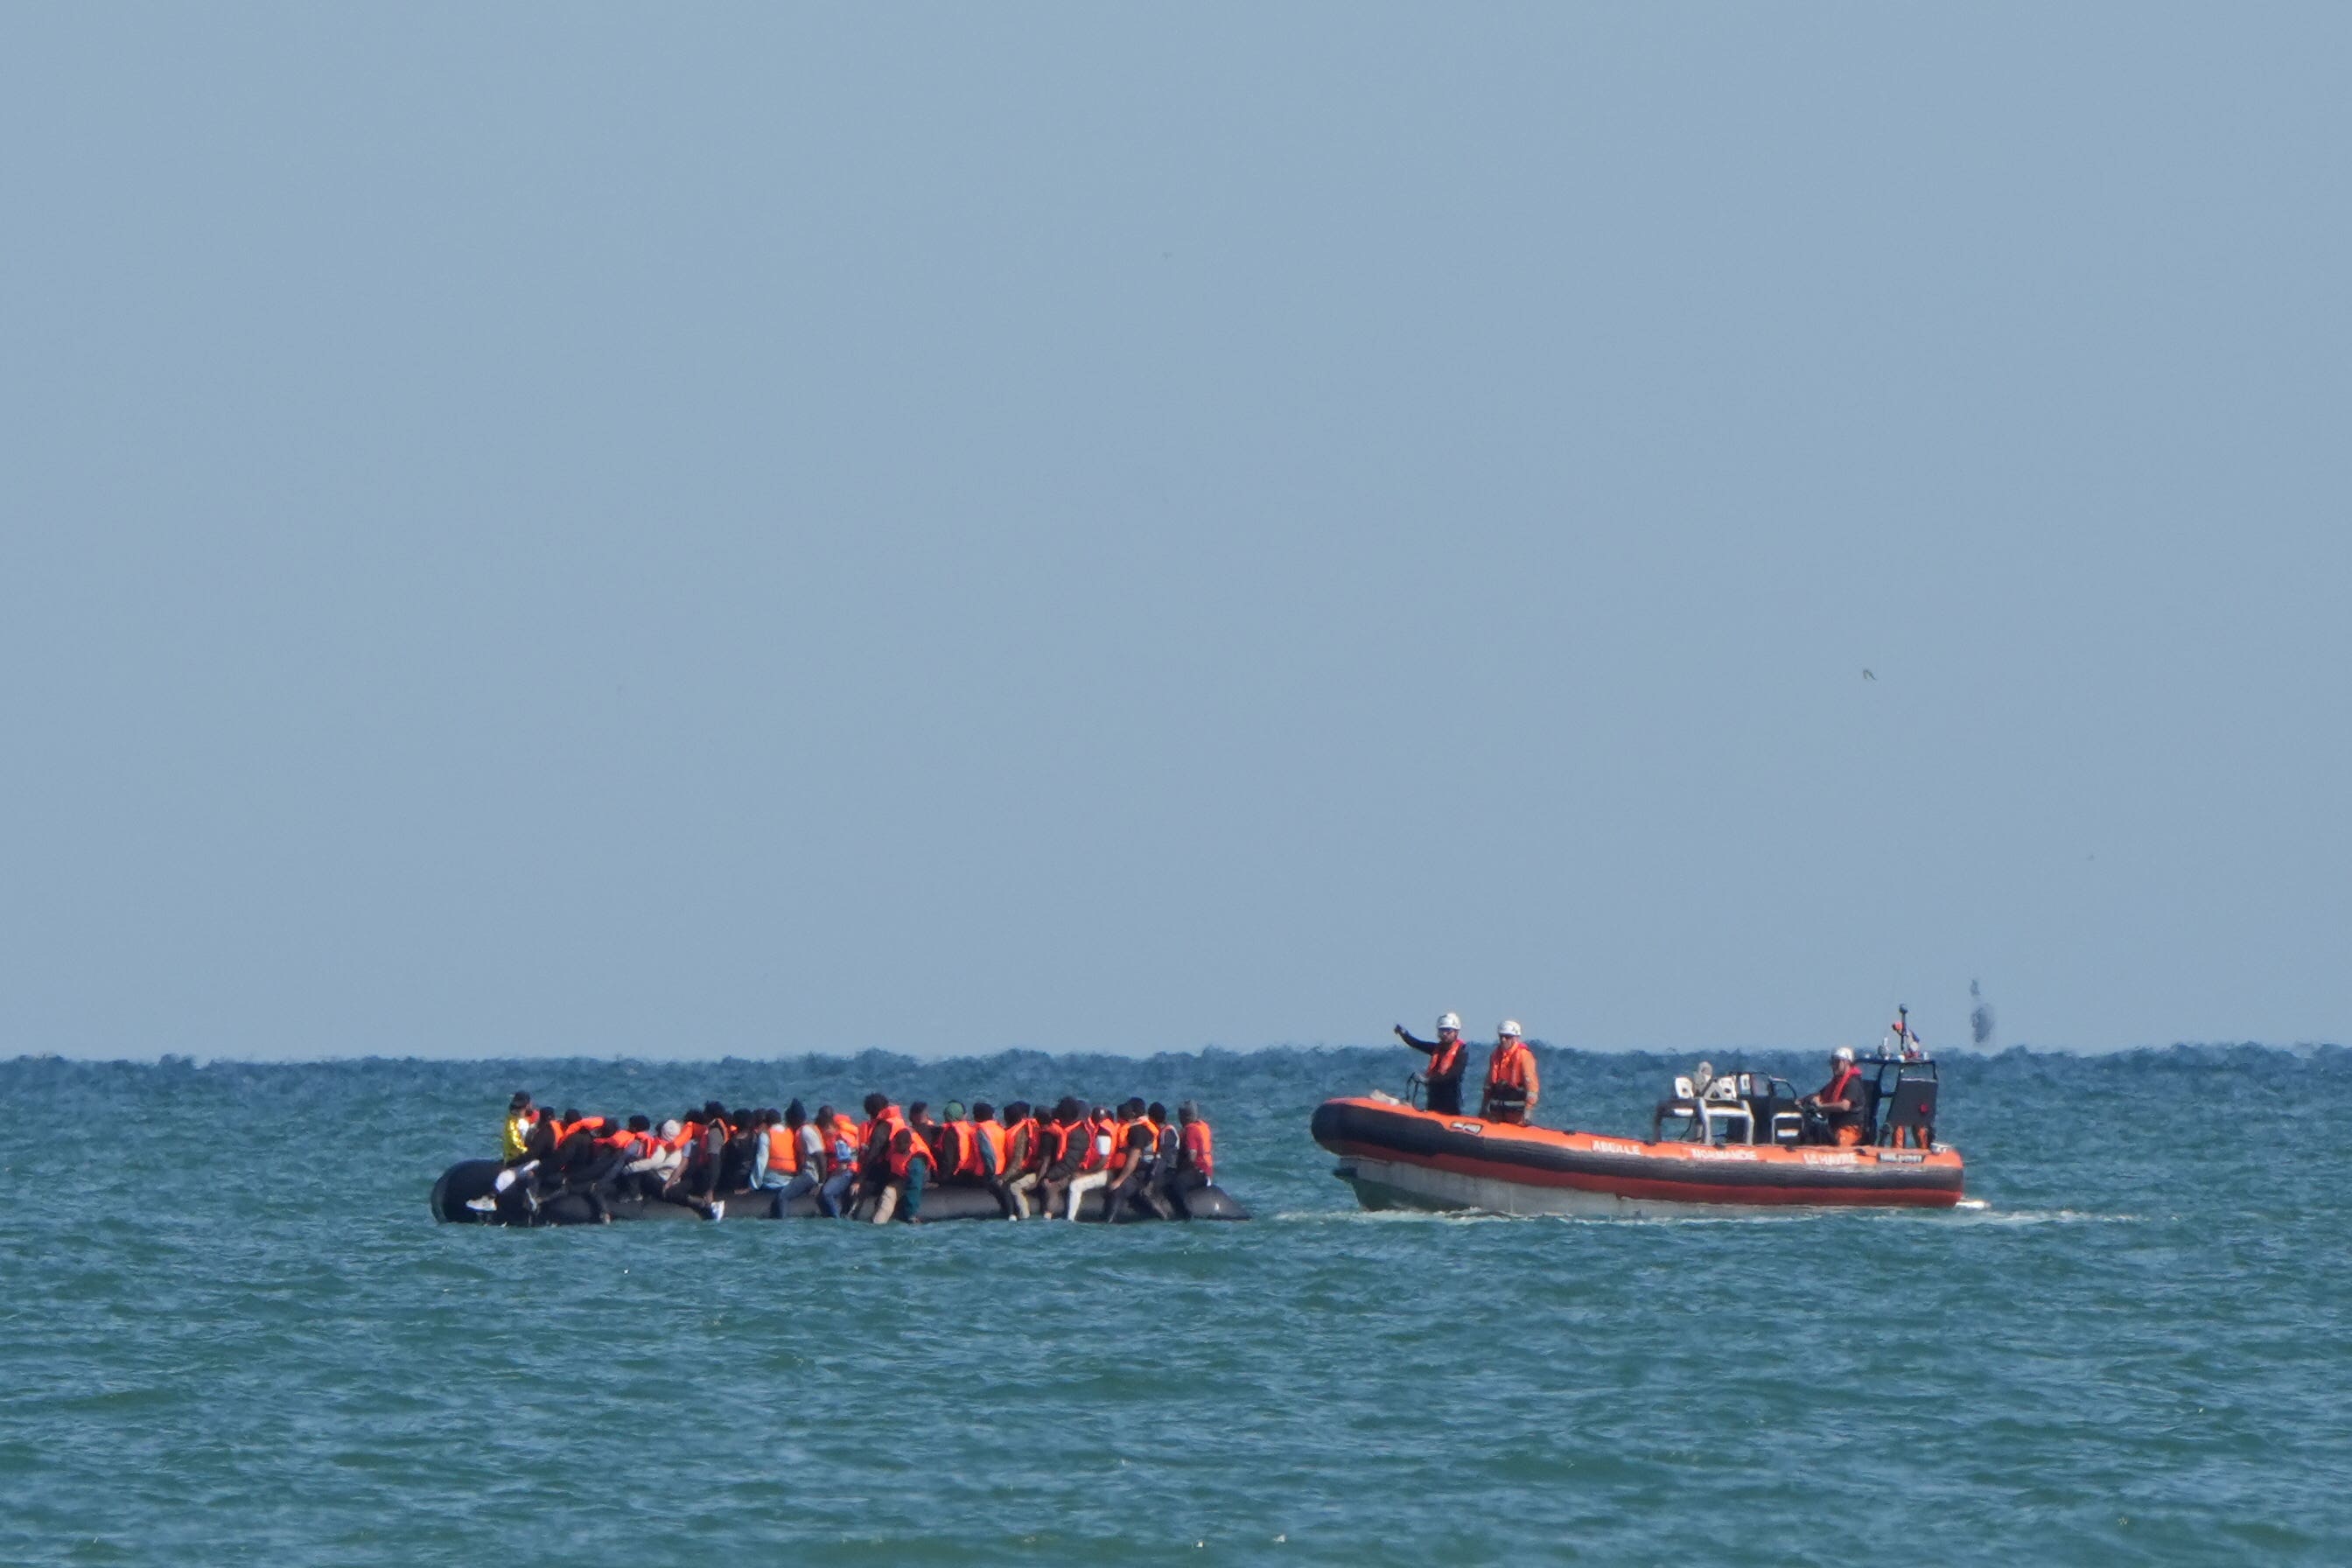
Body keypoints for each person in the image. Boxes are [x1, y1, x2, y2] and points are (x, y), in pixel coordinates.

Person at [1097, 1097, 1172, 1222]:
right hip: (1146, 1172)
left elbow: (1133, 1159)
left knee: (1118, 1190)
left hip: (1141, 1174)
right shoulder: (1147, 1126)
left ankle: (1108, 1222)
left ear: (1133, 1113)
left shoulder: (1138, 1131)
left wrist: (1119, 1181)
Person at [867, 1101, 934, 1225]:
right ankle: (877, 1223)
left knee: (904, 1189)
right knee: (888, 1193)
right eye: (896, 1145)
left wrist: (910, 1214)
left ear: (909, 1145)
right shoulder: (894, 1147)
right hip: (901, 1176)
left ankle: (910, 1215)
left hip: (917, 1177)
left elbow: (913, 1186)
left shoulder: (916, 1160)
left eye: (900, 1146)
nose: (897, 1148)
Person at [1393, 1013, 1469, 1115]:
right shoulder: (1436, 1049)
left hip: (1450, 1100)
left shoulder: (1461, 1052)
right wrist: (1403, 1033)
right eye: (1442, 1031)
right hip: (1433, 1097)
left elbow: (1455, 1073)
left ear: (1456, 1032)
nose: (1444, 1034)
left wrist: (1430, 1079)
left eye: (1448, 1031)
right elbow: (1416, 1043)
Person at [751, 1104, 820, 1215]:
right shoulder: (790, 1133)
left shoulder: (766, 1135)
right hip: (790, 1180)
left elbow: (761, 1163)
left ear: (767, 1123)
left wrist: (753, 1186)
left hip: (772, 1183)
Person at [1037, 1097, 1089, 1221]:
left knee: (1052, 1186)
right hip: (1060, 1167)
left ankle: (1047, 1216)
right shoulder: (1065, 1129)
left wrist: (1049, 1176)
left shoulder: (1079, 1135)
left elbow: (1069, 1163)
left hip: (1074, 1171)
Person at [1802, 1046, 1866, 1145]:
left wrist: (1822, 1107)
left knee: (1840, 1140)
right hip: (1834, 1128)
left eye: (1837, 1062)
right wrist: (1804, 1101)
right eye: (1833, 1063)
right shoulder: (1835, 1083)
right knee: (1812, 1131)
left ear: (1846, 1062)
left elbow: (1844, 1106)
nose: (1833, 1066)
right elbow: (1820, 1094)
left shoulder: (1852, 1083)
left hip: (1849, 1129)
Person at [969, 1102, 1023, 1219]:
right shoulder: (1000, 1129)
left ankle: (1010, 1212)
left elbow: (987, 1155)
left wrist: (990, 1174)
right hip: (1001, 1170)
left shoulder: (978, 1131)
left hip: (986, 1172)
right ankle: (1013, 1213)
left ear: (976, 1116)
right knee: (1003, 1188)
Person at [1063, 1103, 1117, 1220]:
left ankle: (1070, 1219)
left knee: (1075, 1186)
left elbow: (1103, 1161)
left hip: (1105, 1172)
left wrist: (1083, 1174)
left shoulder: (1103, 1132)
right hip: (1100, 1169)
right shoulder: (1106, 1127)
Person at [1481, 1021, 1538, 1124]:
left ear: (1515, 1038)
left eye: (1507, 1037)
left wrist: (1527, 1113)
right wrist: (1484, 1107)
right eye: (1501, 1036)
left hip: (1516, 1114)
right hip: (1496, 1113)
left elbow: (1532, 1088)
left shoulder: (1524, 1056)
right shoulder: (1495, 1056)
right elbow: (1488, 1085)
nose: (1503, 1040)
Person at [1166, 1101, 1214, 1216]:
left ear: (1185, 1116)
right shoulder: (1203, 1126)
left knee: (1178, 1183)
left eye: (1180, 1115)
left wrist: (1179, 1171)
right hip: (1207, 1171)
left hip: (1197, 1170)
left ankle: (1186, 1212)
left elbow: (1191, 1157)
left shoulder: (1191, 1130)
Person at [815, 1103, 861, 1217]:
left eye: (824, 1129)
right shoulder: (835, 1135)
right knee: (821, 1195)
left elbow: (843, 1165)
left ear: (830, 1125)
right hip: (840, 1171)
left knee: (826, 1193)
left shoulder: (839, 1139)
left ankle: (836, 1218)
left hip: (846, 1172)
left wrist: (827, 1178)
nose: (823, 1132)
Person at [1000, 1101, 1042, 1218]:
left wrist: (1003, 1178)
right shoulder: (1014, 1130)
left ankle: (1024, 1216)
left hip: (1030, 1170)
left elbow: (1017, 1162)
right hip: (1023, 1169)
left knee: (1011, 1186)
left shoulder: (1022, 1133)